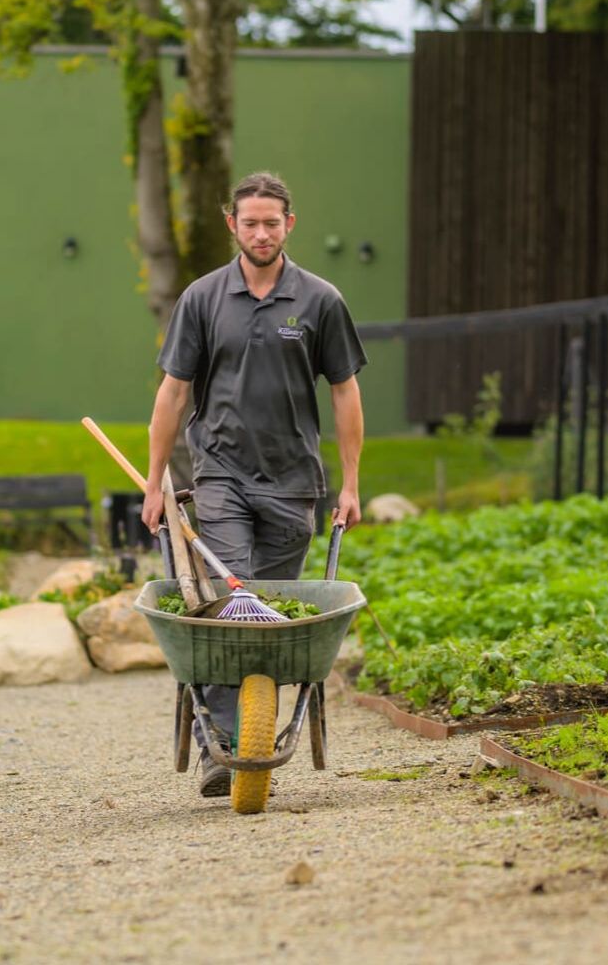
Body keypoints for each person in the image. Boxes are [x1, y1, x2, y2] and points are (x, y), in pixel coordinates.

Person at [142, 170, 367, 797]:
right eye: (250, 223)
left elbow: (346, 392)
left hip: (294, 483)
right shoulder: (203, 299)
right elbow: (174, 392)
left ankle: (253, 723)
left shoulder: (320, 300)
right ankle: (226, 745)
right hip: (220, 474)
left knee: (266, 611)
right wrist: (157, 479)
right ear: (231, 225)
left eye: (272, 222)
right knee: (225, 608)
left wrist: (351, 484)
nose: (261, 233)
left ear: (289, 225)